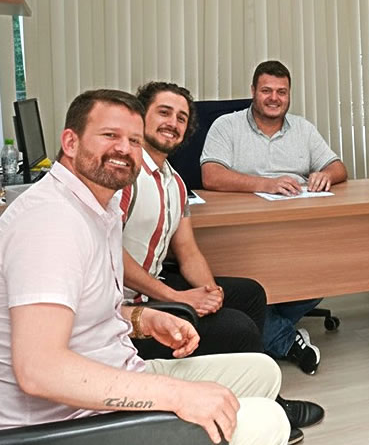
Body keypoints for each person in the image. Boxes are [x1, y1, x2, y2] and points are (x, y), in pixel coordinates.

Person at [0, 89, 289, 445]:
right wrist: (173, 395)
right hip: (69, 420)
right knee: (270, 420)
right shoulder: (52, 223)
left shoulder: (97, 207)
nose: (124, 148)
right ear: (70, 142)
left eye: (134, 140)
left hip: (115, 373)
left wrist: (143, 319)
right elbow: (38, 371)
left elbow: (83, 312)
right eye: (110, 135)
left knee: (262, 372)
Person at [122, 81, 324, 442]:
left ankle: (261, 393)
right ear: (141, 116)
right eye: (164, 113)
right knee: (238, 328)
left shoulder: (175, 182)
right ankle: (260, 406)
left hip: (153, 289)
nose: (173, 123)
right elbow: (112, 257)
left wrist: (208, 289)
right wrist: (178, 297)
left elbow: (188, 251)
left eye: (181, 117)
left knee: (248, 294)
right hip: (128, 310)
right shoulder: (126, 175)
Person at [201, 60, 348, 374]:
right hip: (243, 235)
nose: (274, 97)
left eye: (281, 92)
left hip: (295, 231)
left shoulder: (303, 128)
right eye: (266, 90)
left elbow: (339, 168)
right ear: (253, 91)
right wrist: (264, 184)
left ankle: (265, 323)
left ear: (289, 95)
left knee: (323, 270)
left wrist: (325, 174)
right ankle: (285, 339)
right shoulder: (226, 126)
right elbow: (211, 175)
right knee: (239, 288)